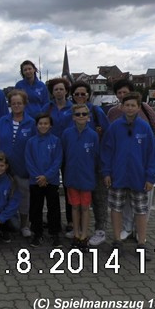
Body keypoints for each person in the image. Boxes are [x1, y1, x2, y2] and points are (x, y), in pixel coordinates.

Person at [101, 92, 155, 258]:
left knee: (141, 211)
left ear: (138, 107)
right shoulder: (114, 127)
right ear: (121, 107)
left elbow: (152, 155)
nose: (129, 108)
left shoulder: (145, 128)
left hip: (139, 177)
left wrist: (151, 177)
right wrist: (106, 172)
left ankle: (141, 242)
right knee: (116, 208)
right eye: (127, 105)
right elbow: (106, 151)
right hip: (117, 176)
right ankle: (117, 240)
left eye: (133, 105)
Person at [0, 89, 36, 237]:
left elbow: (35, 146)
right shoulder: (2, 121)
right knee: (0, 195)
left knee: (24, 196)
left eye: (19, 103)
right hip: (3, 168)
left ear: (24, 104)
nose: (16, 106)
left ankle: (24, 225)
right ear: (10, 104)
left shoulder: (31, 123)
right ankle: (1, 224)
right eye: (13, 103)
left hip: (23, 167)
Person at [70, 80, 110, 248]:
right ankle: (78, 229)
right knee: (79, 201)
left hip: (96, 160)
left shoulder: (96, 111)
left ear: (88, 95)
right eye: (77, 94)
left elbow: (107, 134)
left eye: (83, 94)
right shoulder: (71, 112)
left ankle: (100, 230)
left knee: (99, 198)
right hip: (79, 163)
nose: (80, 96)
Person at [61, 104, 99, 251]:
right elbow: (64, 153)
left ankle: (84, 235)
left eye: (84, 114)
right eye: (78, 114)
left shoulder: (93, 135)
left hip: (87, 178)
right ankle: (76, 234)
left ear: (88, 117)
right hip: (71, 176)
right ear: (73, 117)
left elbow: (96, 156)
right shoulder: (66, 134)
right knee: (75, 207)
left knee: (85, 208)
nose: (81, 116)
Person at [25, 113, 63, 247]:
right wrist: (38, 177)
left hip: (51, 180)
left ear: (50, 125)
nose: (43, 126)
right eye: (40, 123)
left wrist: (46, 176)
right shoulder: (31, 142)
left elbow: (57, 161)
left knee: (54, 208)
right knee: (36, 208)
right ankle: (37, 233)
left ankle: (54, 233)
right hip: (35, 181)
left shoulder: (56, 141)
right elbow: (29, 161)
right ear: (36, 125)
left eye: (46, 123)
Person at [42, 77, 74, 238]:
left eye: (61, 89)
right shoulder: (47, 108)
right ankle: (52, 218)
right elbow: (41, 125)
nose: (59, 92)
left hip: (69, 150)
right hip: (51, 150)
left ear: (66, 91)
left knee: (69, 186)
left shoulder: (73, 107)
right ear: (52, 92)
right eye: (56, 89)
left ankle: (71, 220)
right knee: (51, 186)